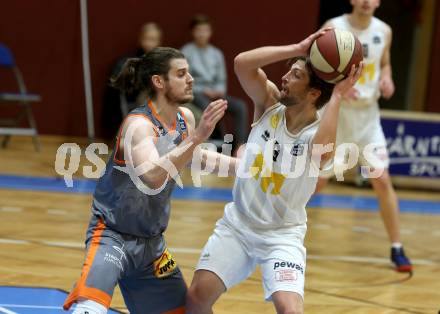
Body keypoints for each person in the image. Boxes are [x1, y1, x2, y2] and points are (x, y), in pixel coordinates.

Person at [186, 29, 363, 314]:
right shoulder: (269, 103)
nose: (284, 77)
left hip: (282, 235)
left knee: (290, 310)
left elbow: (323, 154)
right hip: (238, 225)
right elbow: (242, 63)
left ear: (314, 93)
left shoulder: (316, 133)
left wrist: (339, 97)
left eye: (295, 76)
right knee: (196, 297)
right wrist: (298, 46)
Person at [63, 47, 238, 314]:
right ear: (159, 81)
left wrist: (252, 168)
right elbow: (152, 177)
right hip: (113, 236)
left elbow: (197, 158)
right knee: (89, 309)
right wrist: (197, 137)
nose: (191, 78)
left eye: (189, 72)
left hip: (152, 247)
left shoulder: (184, 119)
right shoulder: (138, 125)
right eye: (181, 74)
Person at [316, 0, 412, 272]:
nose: (367, 1)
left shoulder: (385, 30)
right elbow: (313, 69)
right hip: (338, 118)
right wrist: (337, 87)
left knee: (381, 179)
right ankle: (276, 228)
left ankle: (397, 247)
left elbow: (385, 64)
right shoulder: (334, 27)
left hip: (368, 118)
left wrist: (387, 78)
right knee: (317, 184)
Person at [181, 14, 249, 148]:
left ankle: (240, 146)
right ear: (193, 32)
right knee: (209, 106)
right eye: (199, 30)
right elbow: (184, 80)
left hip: (215, 93)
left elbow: (221, 79)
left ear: (210, 32)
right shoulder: (186, 52)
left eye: (205, 30)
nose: (202, 34)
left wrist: (218, 91)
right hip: (196, 93)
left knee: (240, 106)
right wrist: (202, 90)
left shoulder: (216, 54)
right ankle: (208, 144)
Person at [102, 23, 164, 138]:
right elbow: (120, 82)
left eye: (153, 39)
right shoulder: (131, 61)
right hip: (138, 98)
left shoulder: (161, 61)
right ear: (140, 40)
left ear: (159, 42)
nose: (150, 43)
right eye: (147, 39)